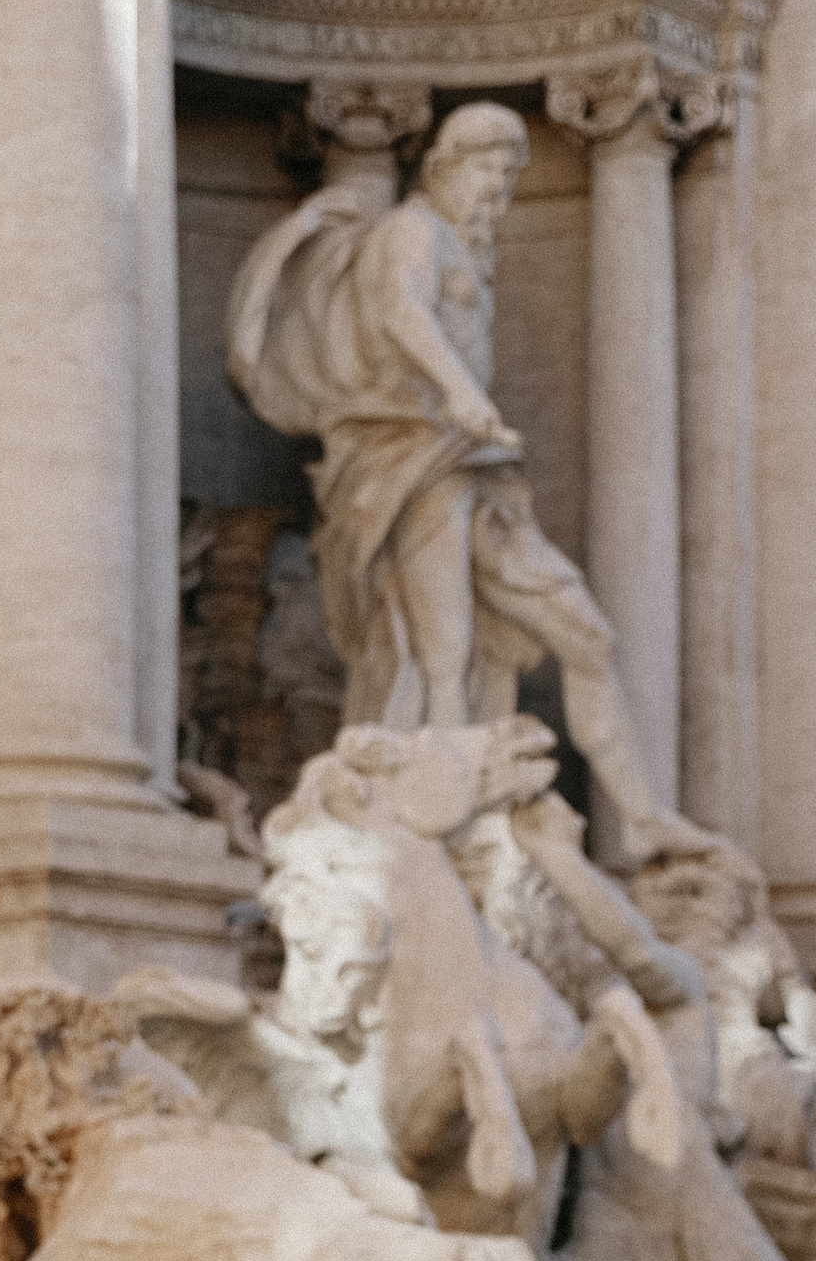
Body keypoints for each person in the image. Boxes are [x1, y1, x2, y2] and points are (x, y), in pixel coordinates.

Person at [224, 103, 693, 866]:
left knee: (586, 634)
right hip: (412, 460)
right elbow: (402, 310)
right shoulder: (412, 230)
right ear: (443, 169)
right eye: (487, 175)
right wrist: (463, 393)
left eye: (508, 180)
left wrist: (468, 412)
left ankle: (641, 819)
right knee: (444, 654)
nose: (497, 194)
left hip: (473, 469)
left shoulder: (464, 250)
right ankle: (444, 842)